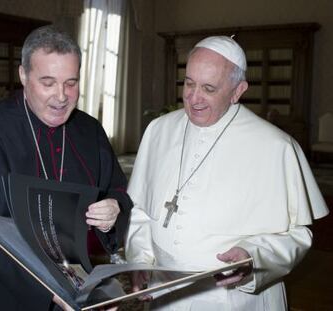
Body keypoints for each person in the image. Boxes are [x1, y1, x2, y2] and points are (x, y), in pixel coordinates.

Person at [125, 36, 329, 310]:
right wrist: (141, 261)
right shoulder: (158, 130)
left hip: (234, 299)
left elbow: (297, 234)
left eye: (209, 88)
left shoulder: (275, 147)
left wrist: (253, 258)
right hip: (165, 292)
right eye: (189, 83)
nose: (193, 98)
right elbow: (139, 210)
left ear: (237, 91)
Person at [0, 25, 133, 311]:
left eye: (71, 82)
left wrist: (113, 210)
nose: (61, 96)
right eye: (48, 82)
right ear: (23, 76)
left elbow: (116, 190)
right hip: (10, 292)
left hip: (80, 284)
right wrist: (52, 289)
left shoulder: (89, 130)